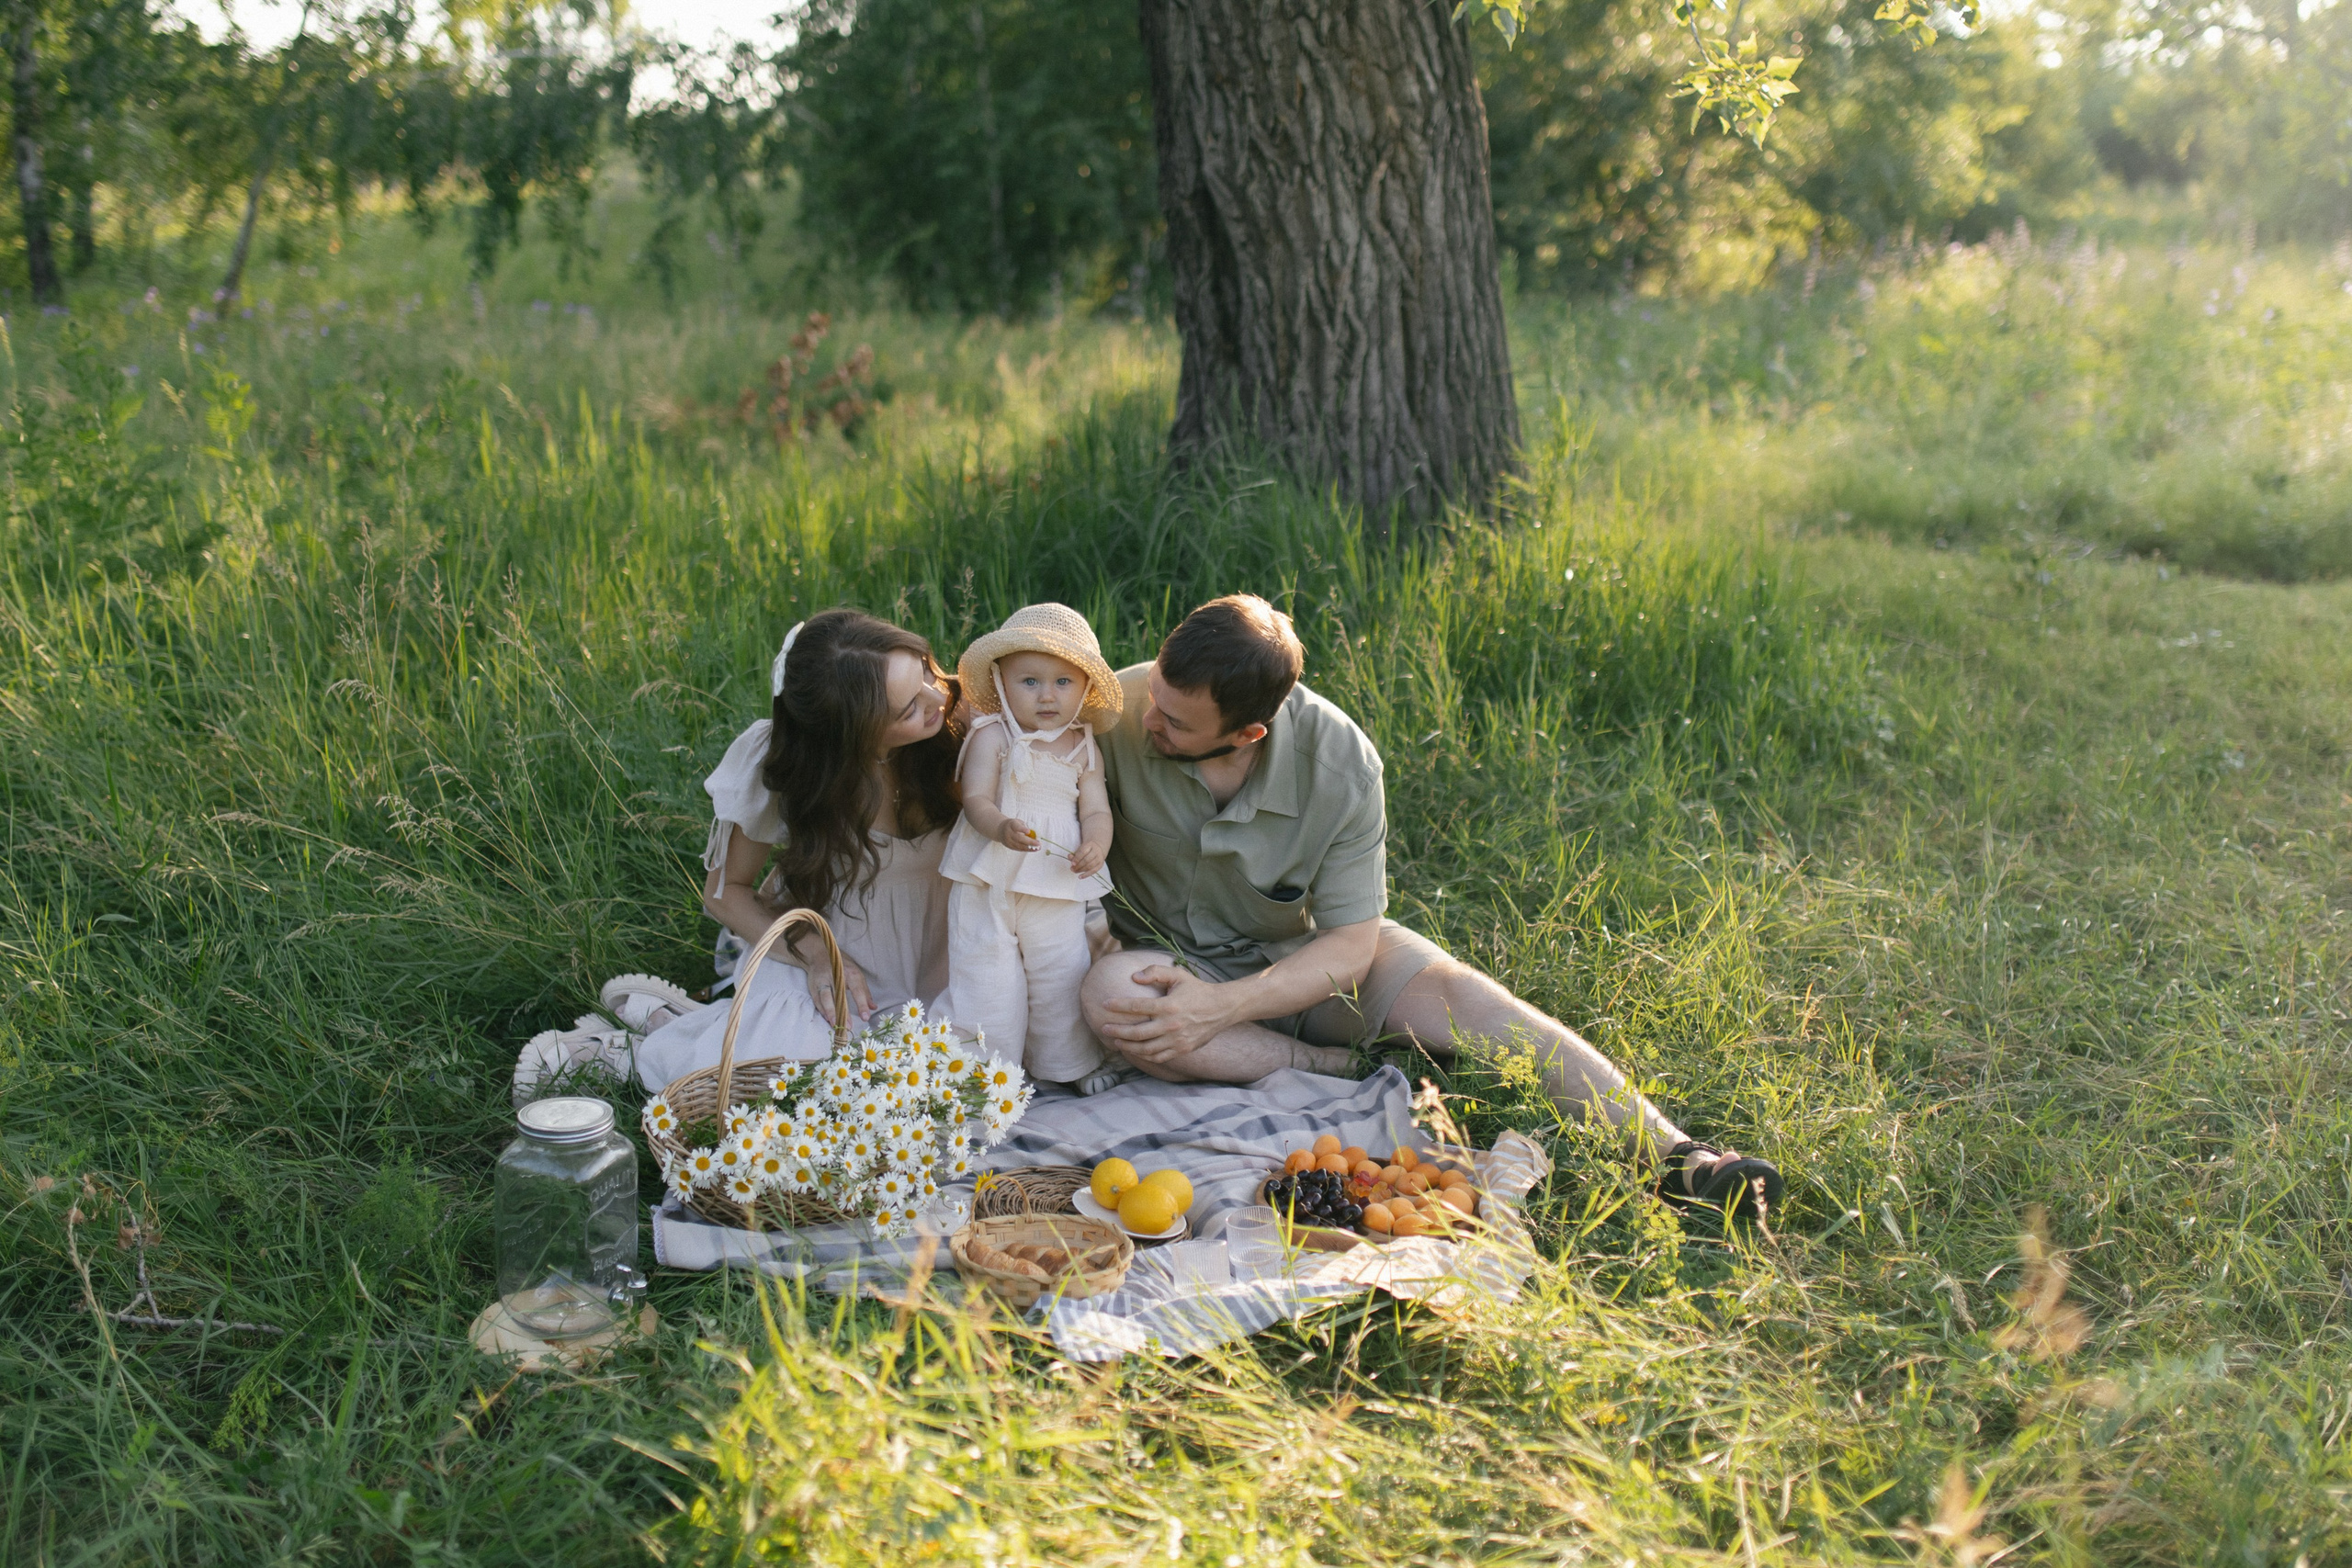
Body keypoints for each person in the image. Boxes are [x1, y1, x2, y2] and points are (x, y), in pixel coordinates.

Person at [1080, 594, 1784, 1216]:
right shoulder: (1119, 706)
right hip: (1163, 958)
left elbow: (1352, 945)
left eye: (1174, 721)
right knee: (1114, 999)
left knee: (1469, 1000)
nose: (1149, 720)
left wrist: (1223, 1007)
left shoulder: (1342, 767)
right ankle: (1335, 1067)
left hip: (1301, 957)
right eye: (1155, 698)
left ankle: (1681, 1158)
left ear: (1248, 733)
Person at [513, 608, 960, 1102]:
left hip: (943, 957)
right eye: (906, 710)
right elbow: (727, 893)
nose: (937, 697)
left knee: (936, 1087)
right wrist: (815, 955)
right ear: (848, 736)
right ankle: (629, 1050)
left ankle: (686, 1018)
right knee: (797, 1084)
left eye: (924, 670)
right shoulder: (793, 767)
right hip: (834, 955)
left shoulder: (965, 723)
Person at [938, 604, 1123, 1093]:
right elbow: (975, 797)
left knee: (1060, 975)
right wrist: (999, 826)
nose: (1047, 696)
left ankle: (1067, 1066)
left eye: (1064, 682)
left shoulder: (1082, 745)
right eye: (1030, 682)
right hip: (989, 878)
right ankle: (985, 1080)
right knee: (986, 978)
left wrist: (1097, 842)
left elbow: (1096, 809)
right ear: (1000, 681)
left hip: (1055, 878)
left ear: (1085, 688)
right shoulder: (991, 734)